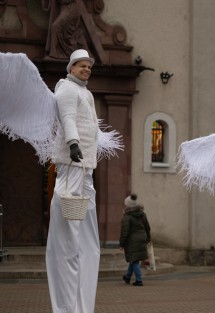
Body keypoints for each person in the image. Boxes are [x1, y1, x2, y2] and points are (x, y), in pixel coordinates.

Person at [46, 49, 101, 313]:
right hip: (72, 164)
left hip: (86, 166)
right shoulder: (67, 89)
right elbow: (68, 118)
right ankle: (67, 307)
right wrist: (73, 143)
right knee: (69, 233)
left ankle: (81, 305)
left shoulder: (87, 93)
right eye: (81, 65)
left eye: (89, 66)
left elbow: (92, 125)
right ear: (71, 68)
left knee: (87, 240)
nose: (86, 69)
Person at [119, 193, 151, 286]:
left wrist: (121, 244)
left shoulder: (127, 217)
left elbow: (125, 231)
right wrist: (148, 238)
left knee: (134, 260)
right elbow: (147, 227)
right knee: (134, 259)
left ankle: (139, 280)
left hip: (132, 241)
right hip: (142, 238)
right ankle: (127, 277)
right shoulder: (142, 214)